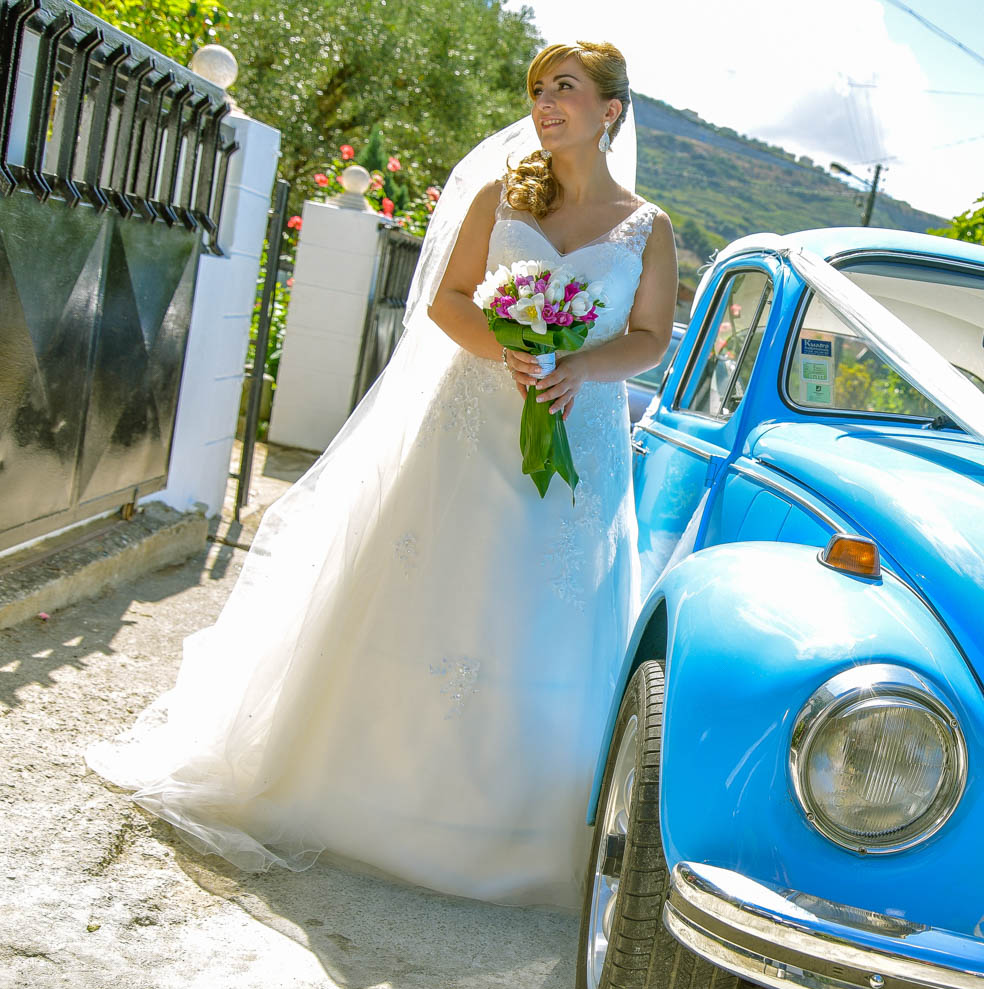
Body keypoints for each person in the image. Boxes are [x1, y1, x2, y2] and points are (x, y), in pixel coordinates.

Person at [82, 40, 678, 910]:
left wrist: (578, 367)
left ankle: (509, 827)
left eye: (565, 88)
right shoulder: (501, 197)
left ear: (611, 110)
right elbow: (447, 300)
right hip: (469, 423)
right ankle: (365, 796)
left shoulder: (648, 227)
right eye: (537, 90)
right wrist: (512, 351)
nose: (545, 104)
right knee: (436, 581)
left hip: (577, 435)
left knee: (539, 605)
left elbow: (651, 337)